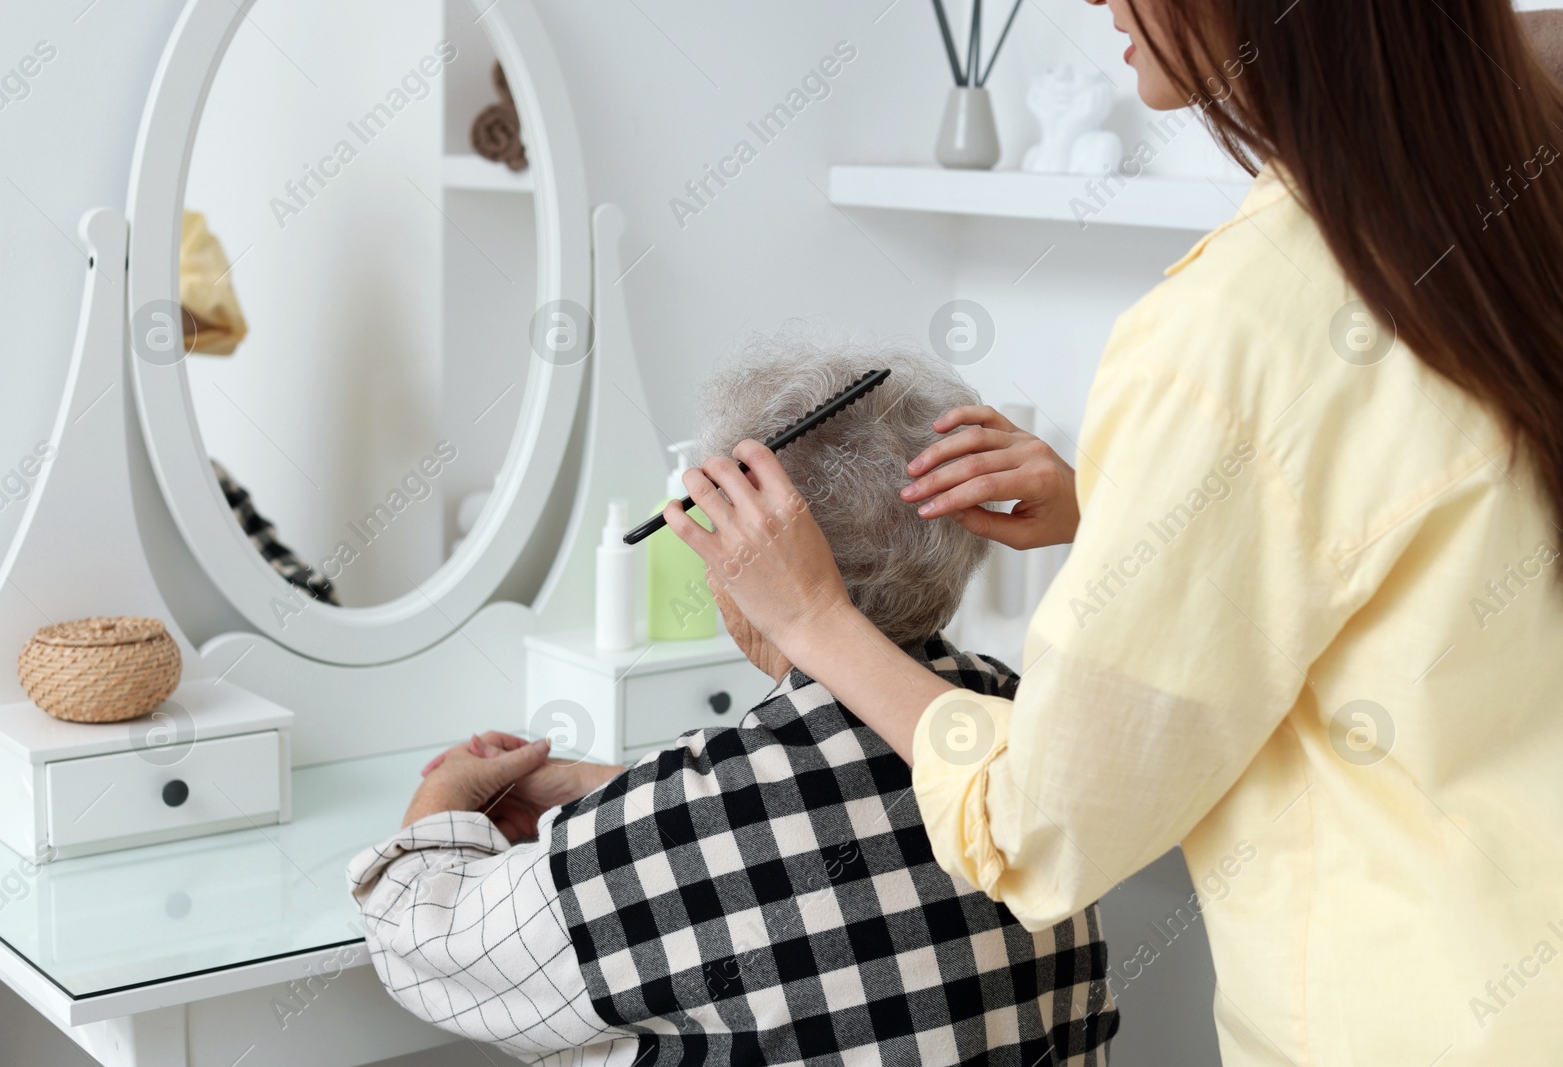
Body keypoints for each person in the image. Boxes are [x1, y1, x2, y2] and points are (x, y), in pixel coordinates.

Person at [658, 3, 1563, 1064]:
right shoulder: (1502, 226)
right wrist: (1136, 514)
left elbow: (1040, 826)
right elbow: (1435, 547)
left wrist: (813, 618)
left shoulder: (1229, 333)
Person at [348, 343, 1119, 1065]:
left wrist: (443, 798)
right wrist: (611, 789)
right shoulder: (1020, 718)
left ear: (747, 565)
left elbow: (427, 939)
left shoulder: (689, 829)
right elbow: (841, 791)